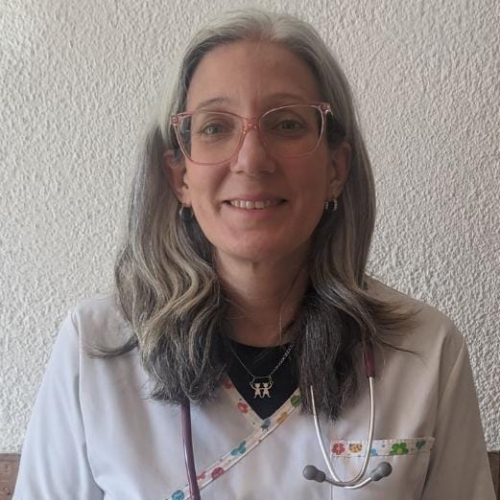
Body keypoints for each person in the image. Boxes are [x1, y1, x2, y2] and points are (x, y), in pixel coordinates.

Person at [14, 8, 495, 500]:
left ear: (335, 168)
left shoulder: (427, 352)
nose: (251, 160)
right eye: (215, 127)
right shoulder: (93, 349)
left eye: (286, 124)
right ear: (180, 176)